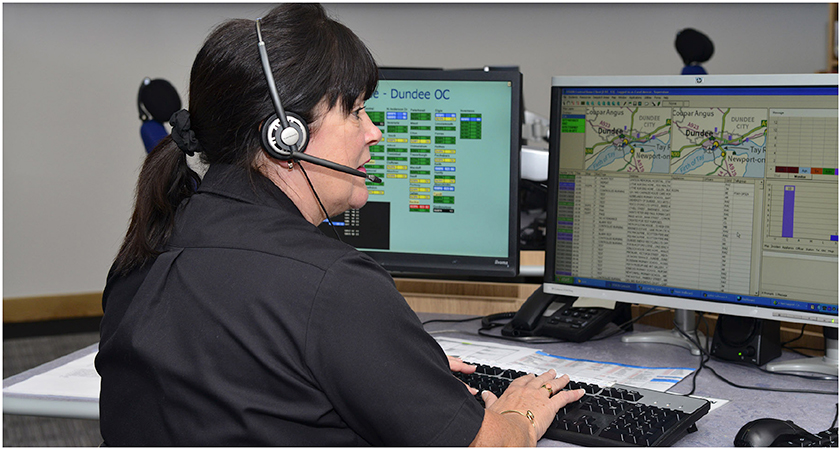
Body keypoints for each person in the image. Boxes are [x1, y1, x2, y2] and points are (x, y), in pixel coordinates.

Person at [95, 4, 584, 446]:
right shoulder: (332, 286)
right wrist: (520, 412)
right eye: (354, 111)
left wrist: (401, 373)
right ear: (285, 137)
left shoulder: (147, 246)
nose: (374, 132)